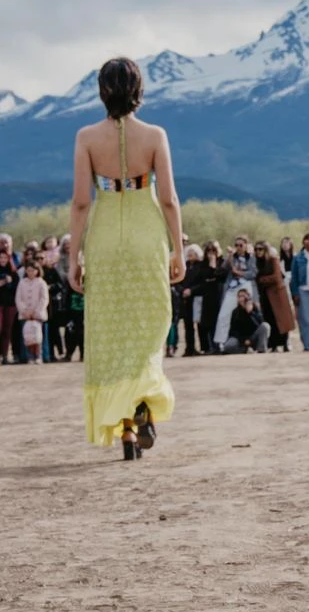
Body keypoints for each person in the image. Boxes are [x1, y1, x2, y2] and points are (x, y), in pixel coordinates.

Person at [67, 58, 184, 460]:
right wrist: (178, 250)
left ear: (102, 91)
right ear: (139, 90)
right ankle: (142, 402)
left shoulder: (86, 137)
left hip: (104, 238)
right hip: (146, 235)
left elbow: (82, 201)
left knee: (110, 332)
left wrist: (74, 258)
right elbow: (168, 198)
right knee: (150, 325)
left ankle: (128, 430)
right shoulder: (154, 134)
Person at [213, 236, 258, 349]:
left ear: (246, 246)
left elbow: (253, 273)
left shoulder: (251, 258)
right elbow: (222, 269)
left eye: (241, 245)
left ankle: (253, 340)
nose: (238, 247)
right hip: (232, 287)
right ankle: (220, 342)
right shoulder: (232, 257)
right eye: (236, 245)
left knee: (248, 313)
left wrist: (239, 272)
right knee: (224, 314)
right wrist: (229, 257)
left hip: (246, 286)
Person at [254, 241, 297, 351]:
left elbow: (277, 277)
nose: (258, 251)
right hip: (265, 295)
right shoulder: (257, 263)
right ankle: (273, 345)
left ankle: (286, 343)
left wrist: (262, 279)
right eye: (256, 249)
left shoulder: (273, 260)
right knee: (269, 319)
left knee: (281, 320)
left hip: (277, 294)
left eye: (260, 249)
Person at [16, 260, 48, 364]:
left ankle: (39, 356)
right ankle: (29, 357)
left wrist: (36, 311)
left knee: (38, 338)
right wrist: (25, 311)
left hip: (37, 315)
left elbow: (44, 299)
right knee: (27, 337)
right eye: (28, 270)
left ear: (37, 271)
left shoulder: (41, 282)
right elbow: (18, 298)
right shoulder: (22, 282)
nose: (30, 272)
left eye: (32, 270)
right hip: (25, 315)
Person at [198, 242, 226, 351]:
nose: (211, 254)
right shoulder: (203, 264)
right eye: (208, 251)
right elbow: (203, 276)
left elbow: (220, 275)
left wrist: (213, 266)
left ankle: (218, 345)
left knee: (217, 320)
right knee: (206, 322)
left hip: (218, 294)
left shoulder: (222, 262)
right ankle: (208, 347)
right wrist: (210, 268)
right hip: (207, 295)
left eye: (213, 251)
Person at [224, 288, 269, 352]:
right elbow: (233, 331)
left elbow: (260, 324)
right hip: (241, 339)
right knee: (227, 346)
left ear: (248, 297)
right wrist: (244, 340)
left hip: (253, 337)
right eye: (239, 296)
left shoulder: (255, 308)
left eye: (243, 296)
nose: (241, 298)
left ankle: (261, 349)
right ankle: (245, 350)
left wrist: (250, 313)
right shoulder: (235, 312)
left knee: (265, 326)